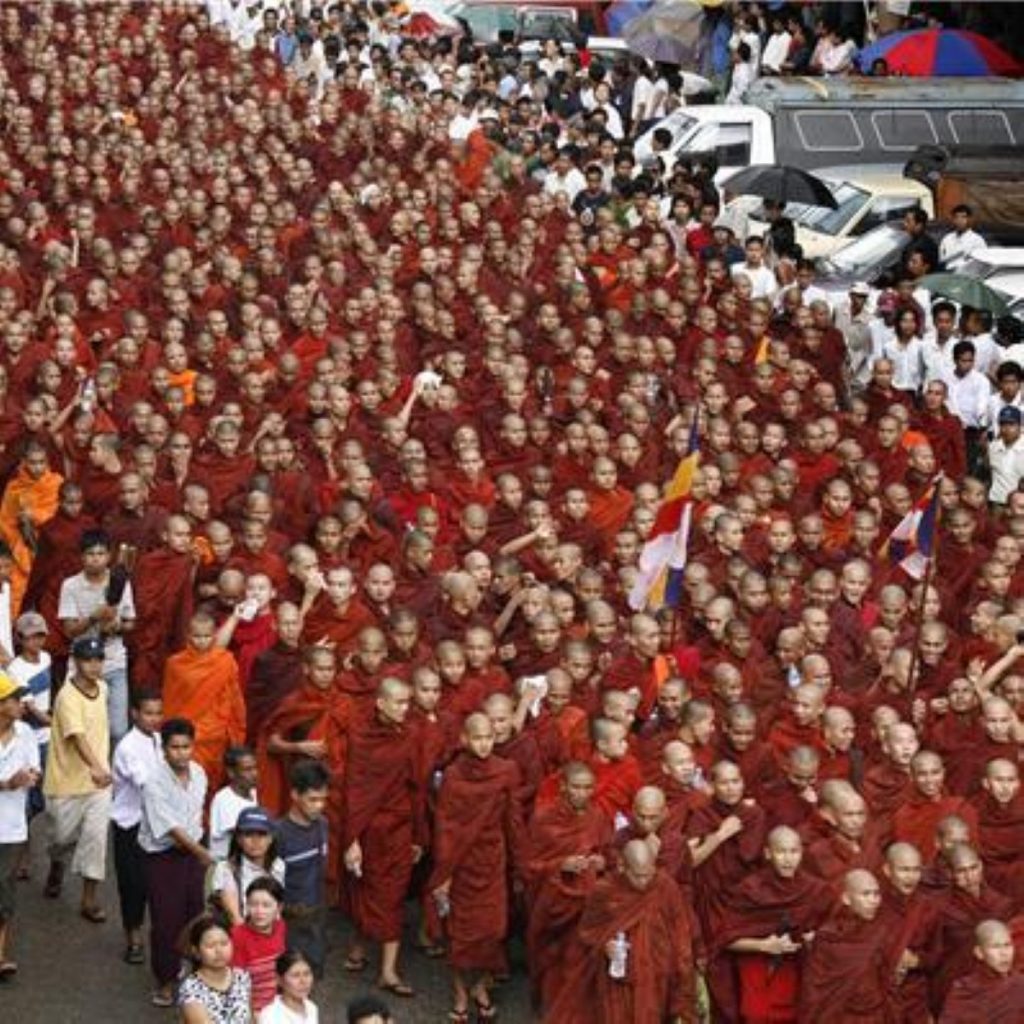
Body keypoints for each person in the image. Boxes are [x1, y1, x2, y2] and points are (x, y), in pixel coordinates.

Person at [429, 712, 523, 1020]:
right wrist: (445, 871)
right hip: (461, 862)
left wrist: (519, 863)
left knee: (492, 931)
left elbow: (513, 818)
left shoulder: (506, 771)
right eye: (477, 738)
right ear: (465, 739)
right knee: (460, 934)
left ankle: (481, 986)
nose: (484, 744)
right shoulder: (454, 776)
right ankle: (459, 992)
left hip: (492, 859)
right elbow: (445, 824)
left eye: (489, 738)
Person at [547, 838, 696, 1023]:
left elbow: (680, 931)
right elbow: (587, 931)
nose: (644, 881)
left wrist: (683, 975)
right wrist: (604, 945)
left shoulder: (666, 887)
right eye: (637, 875)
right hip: (619, 977)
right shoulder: (605, 891)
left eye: (648, 874)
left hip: (657, 974)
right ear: (622, 866)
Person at [342, 676, 423, 998]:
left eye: (407, 702)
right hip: (371, 830)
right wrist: (352, 839)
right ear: (380, 703)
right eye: (399, 702)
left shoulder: (409, 735)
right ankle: (359, 947)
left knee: (392, 896)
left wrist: (419, 834)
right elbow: (356, 790)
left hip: (400, 828)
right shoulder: (363, 738)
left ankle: (388, 970)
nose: (405, 708)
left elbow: (415, 786)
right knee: (366, 889)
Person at [139, 717, 211, 1008]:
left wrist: (200, 851)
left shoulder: (199, 773)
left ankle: (197, 976)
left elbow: (195, 817)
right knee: (166, 919)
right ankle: (166, 981)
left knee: (195, 915)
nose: (181, 753)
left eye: (186, 746)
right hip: (163, 857)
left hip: (192, 854)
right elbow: (172, 829)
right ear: (164, 750)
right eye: (175, 747)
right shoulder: (153, 782)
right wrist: (202, 854)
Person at [42, 634, 111, 923]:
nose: (94, 666)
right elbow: (77, 737)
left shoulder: (104, 689)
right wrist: (96, 766)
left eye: (98, 660)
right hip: (66, 782)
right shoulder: (66, 697)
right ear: (75, 662)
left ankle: (88, 900)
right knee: (61, 837)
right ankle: (57, 862)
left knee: (96, 839)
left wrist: (101, 770)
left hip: (98, 784)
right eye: (87, 660)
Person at [57, 528, 136, 741]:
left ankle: (111, 772)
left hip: (113, 661)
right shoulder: (70, 585)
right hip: (80, 663)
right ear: (82, 557)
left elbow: (131, 623)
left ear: (109, 556)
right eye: (90, 554)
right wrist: (94, 617)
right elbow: (69, 630)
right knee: (78, 728)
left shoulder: (120, 582)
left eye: (100, 554)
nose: (96, 559)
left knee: (118, 730)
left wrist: (115, 626)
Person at [162, 613, 245, 793]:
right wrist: (168, 734)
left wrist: (237, 731)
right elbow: (170, 701)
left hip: (216, 735)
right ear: (188, 636)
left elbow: (235, 698)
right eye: (197, 636)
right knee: (187, 785)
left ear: (214, 635)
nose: (202, 641)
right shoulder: (176, 664)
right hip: (187, 736)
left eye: (207, 636)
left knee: (212, 786)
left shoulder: (225, 661)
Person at [110, 690, 163, 965]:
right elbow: (146, 783)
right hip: (129, 823)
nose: (154, 719)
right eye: (148, 713)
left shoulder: (159, 740)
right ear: (134, 713)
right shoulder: (127, 747)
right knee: (132, 883)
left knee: (156, 882)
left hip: (156, 824)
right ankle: (133, 936)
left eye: (158, 713)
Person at [0, 671, 40, 978]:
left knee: (4, 888)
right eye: (15, 699)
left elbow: (34, 768)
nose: (21, 703)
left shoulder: (26, 732)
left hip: (12, 827)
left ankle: (0, 954)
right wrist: (7, 783)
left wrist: (29, 778)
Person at [277, 759, 330, 977]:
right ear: (295, 795)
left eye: (323, 799)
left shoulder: (323, 825)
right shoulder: (279, 834)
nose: (319, 806)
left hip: (316, 922)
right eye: (313, 799)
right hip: (288, 927)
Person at [210, 805, 285, 925]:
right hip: (238, 933)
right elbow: (235, 918)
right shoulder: (226, 868)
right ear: (239, 839)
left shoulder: (278, 865)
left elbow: (276, 911)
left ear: (271, 838)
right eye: (249, 834)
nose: (255, 840)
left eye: (262, 834)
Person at [177, 913, 252, 1024]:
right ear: (196, 951)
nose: (219, 951)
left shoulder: (241, 976)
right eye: (210, 946)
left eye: (224, 943)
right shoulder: (191, 989)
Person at [230, 876, 287, 1013]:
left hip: (279, 1001)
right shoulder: (237, 935)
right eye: (253, 904)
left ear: (279, 907)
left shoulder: (280, 926)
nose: (259, 911)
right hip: (251, 1007)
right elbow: (237, 984)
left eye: (266, 905)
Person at [209, 745, 259, 861]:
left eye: (255, 768)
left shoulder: (255, 793)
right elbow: (243, 835)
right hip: (227, 867)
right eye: (247, 769)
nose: (254, 773)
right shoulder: (224, 799)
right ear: (231, 772)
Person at [261, 950, 320, 1023]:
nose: (303, 981)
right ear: (279, 979)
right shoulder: (270, 1016)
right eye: (295, 975)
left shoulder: (312, 1008)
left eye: (307, 974)